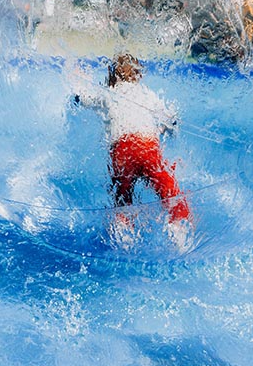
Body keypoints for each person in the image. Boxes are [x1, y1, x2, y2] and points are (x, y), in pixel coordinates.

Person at [72, 53, 192, 248]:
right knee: (168, 188)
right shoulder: (147, 94)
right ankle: (178, 227)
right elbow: (170, 119)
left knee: (122, 194)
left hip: (121, 151)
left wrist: (77, 84)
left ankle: (123, 231)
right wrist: (170, 128)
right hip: (146, 146)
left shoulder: (106, 93)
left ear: (112, 75)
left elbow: (82, 98)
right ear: (138, 75)